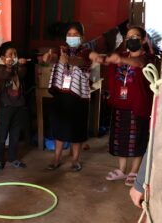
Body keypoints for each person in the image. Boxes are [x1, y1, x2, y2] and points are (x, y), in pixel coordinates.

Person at [90, 26, 153, 186]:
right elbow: (107, 59)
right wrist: (98, 57)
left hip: (138, 107)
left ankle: (134, 171)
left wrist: (121, 60)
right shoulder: (121, 55)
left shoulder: (149, 58)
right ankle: (122, 169)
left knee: (137, 139)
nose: (132, 40)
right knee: (121, 138)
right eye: (129, 37)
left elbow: (139, 63)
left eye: (136, 36)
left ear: (144, 40)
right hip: (120, 105)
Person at [43, 22, 92, 171]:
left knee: (77, 128)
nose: (71, 37)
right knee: (59, 127)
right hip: (61, 95)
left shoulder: (85, 51)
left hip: (78, 97)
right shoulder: (61, 51)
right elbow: (52, 60)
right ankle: (56, 158)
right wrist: (48, 58)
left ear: (82, 37)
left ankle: (75, 160)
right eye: (69, 35)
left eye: (75, 35)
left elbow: (82, 61)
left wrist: (69, 60)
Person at [0, 41, 28, 171]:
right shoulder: (0, 69)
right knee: (2, 135)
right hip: (6, 107)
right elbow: (5, 74)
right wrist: (10, 66)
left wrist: (20, 64)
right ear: (2, 58)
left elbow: (23, 73)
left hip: (19, 106)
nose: (13, 56)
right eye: (10, 54)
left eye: (15, 54)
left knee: (15, 134)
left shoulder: (19, 68)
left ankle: (13, 158)